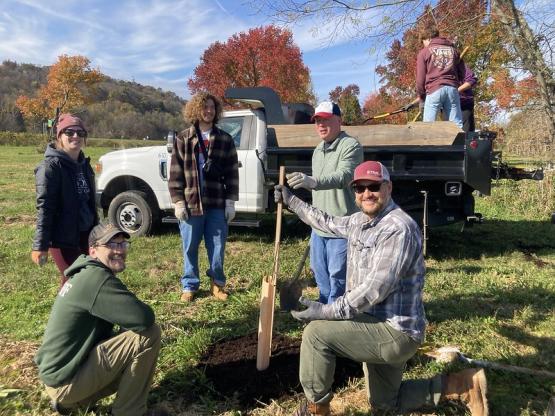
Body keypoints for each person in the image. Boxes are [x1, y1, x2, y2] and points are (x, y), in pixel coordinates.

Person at [274, 161, 489, 416]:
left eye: (373, 186)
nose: (367, 194)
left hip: (395, 331)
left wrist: (326, 311)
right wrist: (292, 201)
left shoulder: (398, 229)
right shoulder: (360, 221)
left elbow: (374, 289)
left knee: (316, 334)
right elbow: (327, 222)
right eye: (360, 188)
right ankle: (464, 385)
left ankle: (316, 409)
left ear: (388, 188)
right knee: (386, 406)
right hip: (375, 323)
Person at [34, 223, 166, 416]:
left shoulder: (85, 273)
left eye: (122, 244)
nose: (119, 250)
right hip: (66, 383)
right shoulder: (97, 280)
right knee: (149, 334)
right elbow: (144, 318)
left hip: (60, 378)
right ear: (93, 250)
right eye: (112, 244)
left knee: (128, 340)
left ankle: (73, 404)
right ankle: (129, 412)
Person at [285, 101, 363, 304]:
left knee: (338, 276)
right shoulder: (318, 150)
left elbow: (345, 175)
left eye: (326, 120)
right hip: (318, 226)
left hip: (340, 225)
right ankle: (323, 309)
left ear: (339, 120)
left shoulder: (350, 145)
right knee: (320, 273)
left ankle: (336, 314)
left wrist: (314, 181)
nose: (320, 124)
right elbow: (318, 188)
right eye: (317, 121)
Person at [168, 92, 239, 302]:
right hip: (191, 205)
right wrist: (178, 201)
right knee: (190, 246)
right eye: (204, 107)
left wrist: (230, 201)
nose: (209, 111)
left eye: (212, 107)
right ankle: (190, 285)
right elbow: (175, 173)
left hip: (217, 204)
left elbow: (232, 172)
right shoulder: (183, 138)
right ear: (196, 110)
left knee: (217, 246)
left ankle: (217, 284)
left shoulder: (225, 139)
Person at [31, 113, 98, 287]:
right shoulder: (50, 167)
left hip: (86, 233)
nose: (75, 136)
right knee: (75, 278)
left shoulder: (84, 164)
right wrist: (40, 246)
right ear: (59, 136)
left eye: (80, 133)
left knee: (86, 277)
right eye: (69, 132)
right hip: (62, 237)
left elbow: (89, 203)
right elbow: (45, 208)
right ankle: (66, 313)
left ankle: (80, 312)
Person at [416, 26, 465, 129]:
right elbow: (462, 73)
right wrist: (455, 83)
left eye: (423, 41)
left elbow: (420, 78)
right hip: (452, 89)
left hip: (434, 89)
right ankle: (459, 145)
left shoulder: (424, 52)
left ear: (428, 38)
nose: (423, 45)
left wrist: (422, 97)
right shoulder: (454, 50)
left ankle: (429, 145)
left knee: (428, 127)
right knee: (456, 126)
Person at [459, 64, 478, 133]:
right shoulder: (437, 67)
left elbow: (472, 79)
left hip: (464, 103)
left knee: (466, 133)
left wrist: (456, 91)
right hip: (447, 106)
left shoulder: (460, 65)